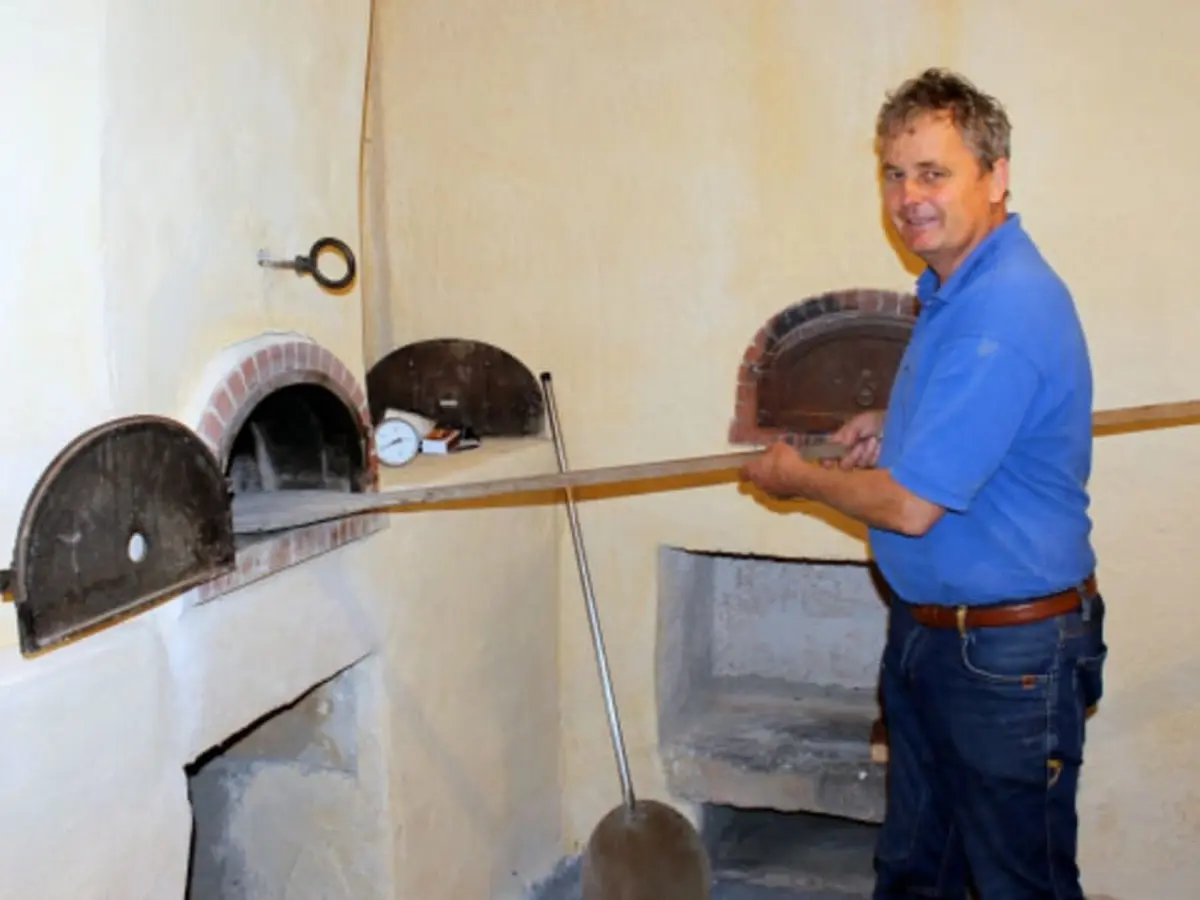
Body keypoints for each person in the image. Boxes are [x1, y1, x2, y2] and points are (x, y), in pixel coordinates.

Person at [739, 68, 1107, 899]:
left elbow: (910, 505)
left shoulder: (1002, 308)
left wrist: (801, 478)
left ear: (996, 175)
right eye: (894, 174)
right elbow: (963, 435)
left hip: (1006, 657)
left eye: (933, 173)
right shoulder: (955, 287)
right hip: (938, 639)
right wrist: (892, 429)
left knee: (1018, 884)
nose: (908, 197)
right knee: (917, 870)